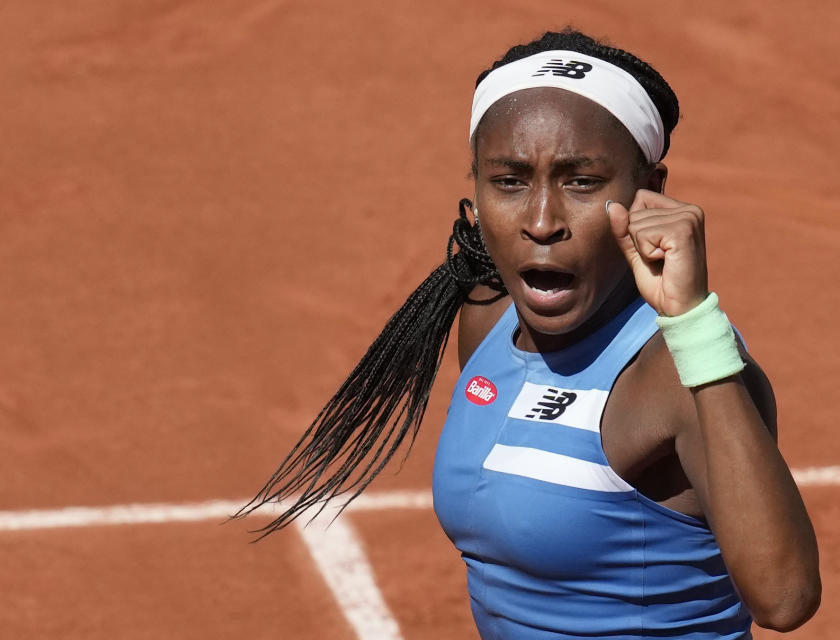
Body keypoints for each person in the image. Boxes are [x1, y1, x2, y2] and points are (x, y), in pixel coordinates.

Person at [237, 29, 821, 637]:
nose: (542, 221)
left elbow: (785, 599)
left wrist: (693, 323)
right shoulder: (487, 315)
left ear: (651, 193)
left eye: (582, 182)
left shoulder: (680, 367)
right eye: (509, 181)